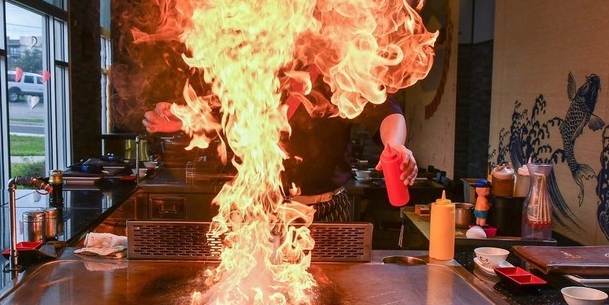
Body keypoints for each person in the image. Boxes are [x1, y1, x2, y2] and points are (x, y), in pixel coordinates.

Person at [142, 90, 418, 222]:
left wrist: (394, 144)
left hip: (325, 211)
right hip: (259, 211)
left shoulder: (340, 63)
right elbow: (218, 110)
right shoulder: (251, 64)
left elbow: (386, 111)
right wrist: (182, 118)